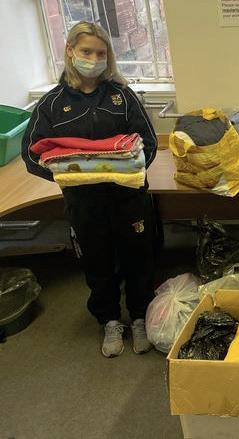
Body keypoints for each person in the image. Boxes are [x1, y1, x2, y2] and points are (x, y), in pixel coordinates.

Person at [21, 22, 158, 358]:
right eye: (86, 51)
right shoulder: (51, 104)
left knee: (138, 259)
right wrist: (69, 176)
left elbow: (149, 143)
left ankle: (140, 316)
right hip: (84, 203)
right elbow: (31, 153)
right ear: (70, 51)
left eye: (101, 53)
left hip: (128, 198)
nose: (94, 59)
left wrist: (127, 169)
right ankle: (109, 320)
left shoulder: (122, 96)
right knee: (97, 263)